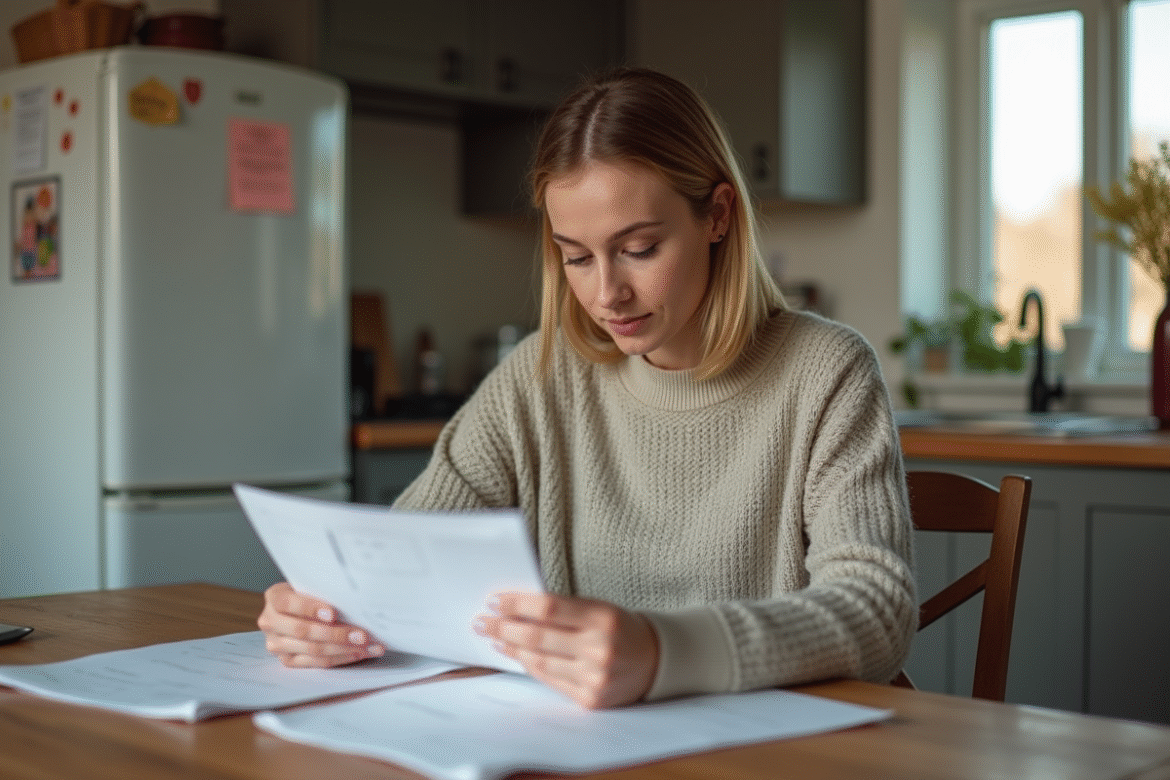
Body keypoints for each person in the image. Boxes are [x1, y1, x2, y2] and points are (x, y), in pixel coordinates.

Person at [258, 67, 917, 710]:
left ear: (717, 215)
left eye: (638, 249)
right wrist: (323, 606)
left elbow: (877, 610)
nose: (607, 293)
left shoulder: (827, 372)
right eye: (576, 256)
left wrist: (662, 651)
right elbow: (401, 556)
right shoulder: (543, 377)